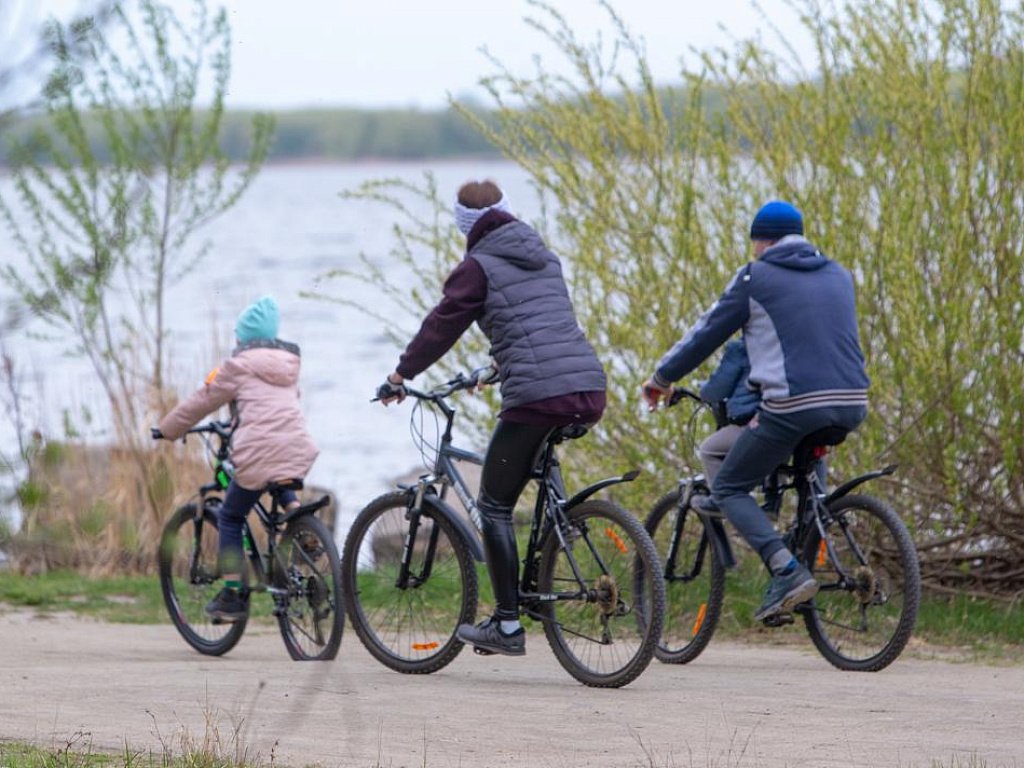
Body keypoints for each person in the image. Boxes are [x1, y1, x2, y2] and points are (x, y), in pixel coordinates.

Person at [376, 179, 607, 656]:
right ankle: (549, 556)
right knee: (531, 476)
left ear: (465, 225)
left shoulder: (476, 268)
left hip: (539, 395)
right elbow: (542, 323)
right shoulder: (543, 256)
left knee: (495, 505)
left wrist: (400, 374)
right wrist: (501, 366)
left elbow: (442, 325)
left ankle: (506, 625)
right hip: (587, 385)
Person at [641, 201, 869, 622]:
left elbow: (705, 334)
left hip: (792, 406)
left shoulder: (755, 277)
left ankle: (785, 569)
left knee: (728, 487)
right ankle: (808, 533)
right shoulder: (839, 274)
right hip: (853, 402)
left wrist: (661, 378)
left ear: (761, 242)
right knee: (805, 464)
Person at [156, 296, 318, 621]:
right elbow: (269, 410)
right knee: (274, 473)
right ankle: (298, 517)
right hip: (298, 447)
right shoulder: (288, 366)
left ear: (242, 337)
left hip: (259, 452)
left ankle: (232, 596)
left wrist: (168, 429)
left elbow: (202, 401)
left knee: (231, 515)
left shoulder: (237, 366)